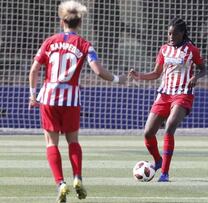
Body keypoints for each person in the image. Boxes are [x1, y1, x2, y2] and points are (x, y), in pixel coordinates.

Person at [28, 1, 126, 202]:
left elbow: (34, 69)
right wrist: (118, 79)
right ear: (79, 22)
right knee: (73, 141)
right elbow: (98, 71)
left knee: (50, 143)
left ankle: (60, 183)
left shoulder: (49, 42)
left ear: (61, 20)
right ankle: (77, 178)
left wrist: (32, 94)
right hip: (71, 99)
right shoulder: (84, 45)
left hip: (48, 98)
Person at [128, 17, 206, 182]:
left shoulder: (192, 50)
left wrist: (196, 77)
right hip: (164, 94)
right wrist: (139, 76)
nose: (170, 36)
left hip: (183, 93)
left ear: (182, 33)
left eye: (174, 34)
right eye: (169, 33)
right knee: (148, 133)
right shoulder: (164, 49)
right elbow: (156, 73)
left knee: (170, 126)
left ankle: (164, 173)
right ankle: (158, 161)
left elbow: (203, 69)